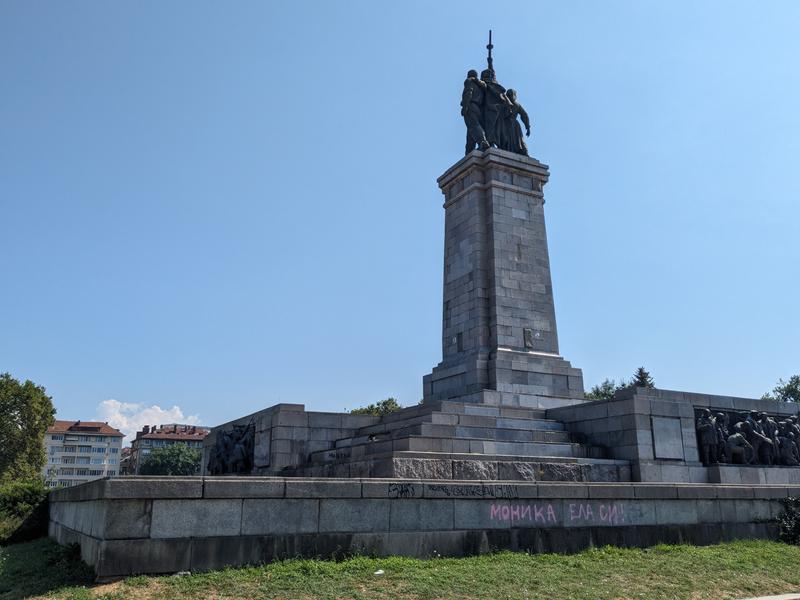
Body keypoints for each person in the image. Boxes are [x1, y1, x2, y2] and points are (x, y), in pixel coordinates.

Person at [461, 70, 489, 154]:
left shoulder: (469, 81)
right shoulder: (482, 85)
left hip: (471, 106)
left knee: (473, 125)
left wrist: (465, 107)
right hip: (478, 109)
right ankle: (469, 150)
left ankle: (483, 142)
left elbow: (468, 93)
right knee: (471, 129)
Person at [503, 89, 531, 156]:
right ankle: (523, 151)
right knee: (518, 140)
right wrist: (527, 127)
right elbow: (525, 115)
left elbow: (524, 115)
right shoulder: (516, 104)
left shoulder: (506, 103)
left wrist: (528, 127)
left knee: (519, 140)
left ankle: (524, 151)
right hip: (512, 124)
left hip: (509, 124)